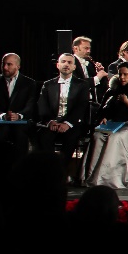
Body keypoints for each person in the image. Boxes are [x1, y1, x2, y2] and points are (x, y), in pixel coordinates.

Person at [82, 62, 128, 189]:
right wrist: (103, 117)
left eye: (125, 74)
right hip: (112, 124)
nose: (122, 77)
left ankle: (110, 178)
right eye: (120, 74)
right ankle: (92, 176)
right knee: (97, 136)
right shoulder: (113, 90)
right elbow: (104, 109)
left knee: (115, 138)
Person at [35, 52, 92, 183]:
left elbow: (81, 106)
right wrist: (50, 121)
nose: (66, 65)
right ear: (58, 65)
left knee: (71, 137)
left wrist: (67, 123)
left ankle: (62, 172)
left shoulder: (82, 85)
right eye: (64, 62)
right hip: (52, 122)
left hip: (72, 124)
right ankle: (50, 171)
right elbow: (42, 105)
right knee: (44, 137)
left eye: (69, 62)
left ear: (74, 67)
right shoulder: (48, 84)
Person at [0, 52, 38, 153]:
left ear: (18, 66)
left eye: (9, 64)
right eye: (3, 64)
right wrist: (3, 115)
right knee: (0, 131)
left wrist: (18, 116)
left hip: (21, 121)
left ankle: (19, 165)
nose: (5, 67)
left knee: (20, 133)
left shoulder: (29, 83)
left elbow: (30, 106)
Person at [70, 35, 109, 103]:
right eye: (86, 48)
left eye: (89, 48)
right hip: (78, 103)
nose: (89, 51)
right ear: (75, 49)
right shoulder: (70, 62)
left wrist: (100, 72)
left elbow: (99, 87)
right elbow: (77, 84)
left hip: (92, 102)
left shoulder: (89, 64)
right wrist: (97, 77)